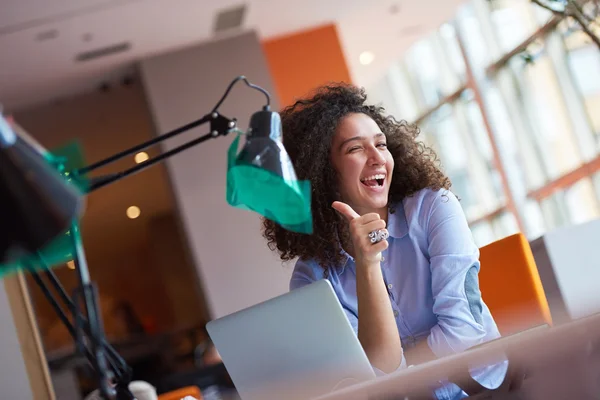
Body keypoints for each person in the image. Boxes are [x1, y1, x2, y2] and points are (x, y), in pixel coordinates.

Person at [262, 84, 507, 399]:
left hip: (483, 390)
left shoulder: (433, 207)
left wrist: (401, 375)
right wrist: (367, 263)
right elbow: (374, 376)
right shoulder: (312, 276)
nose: (378, 158)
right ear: (322, 172)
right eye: (356, 148)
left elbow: (463, 333)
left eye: (381, 144)